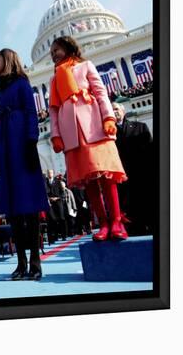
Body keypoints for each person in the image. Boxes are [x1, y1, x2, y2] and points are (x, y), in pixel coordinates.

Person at [48, 36, 128, 242]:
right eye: (51, 52)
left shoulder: (85, 66)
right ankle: (102, 223)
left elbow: (100, 92)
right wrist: (56, 135)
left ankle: (117, 222)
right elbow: (54, 110)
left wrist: (108, 117)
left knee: (107, 177)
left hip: (93, 125)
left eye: (56, 49)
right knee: (89, 182)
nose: (53, 54)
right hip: (72, 134)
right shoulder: (54, 79)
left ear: (67, 47)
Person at [0, 48, 49, 280]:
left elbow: (32, 113)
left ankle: (35, 261)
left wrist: (32, 141)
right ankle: (20, 261)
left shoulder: (22, 84)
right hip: (4, 150)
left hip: (21, 148)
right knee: (13, 210)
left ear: (8, 61)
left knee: (29, 208)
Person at [112, 102, 153, 235]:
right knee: (133, 222)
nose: (114, 111)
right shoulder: (108, 135)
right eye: (111, 110)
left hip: (142, 177)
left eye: (117, 109)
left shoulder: (140, 127)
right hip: (123, 181)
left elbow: (150, 152)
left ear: (123, 111)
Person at [44, 169, 67, 242]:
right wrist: (49, 198)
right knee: (53, 219)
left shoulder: (58, 181)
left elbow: (62, 192)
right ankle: (55, 236)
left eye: (51, 173)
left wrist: (58, 197)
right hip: (50, 202)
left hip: (58, 201)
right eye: (48, 173)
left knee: (61, 218)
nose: (49, 174)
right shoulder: (46, 182)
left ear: (53, 173)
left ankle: (64, 235)